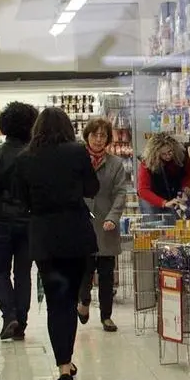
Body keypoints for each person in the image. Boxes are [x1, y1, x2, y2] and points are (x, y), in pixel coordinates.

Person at [13, 107, 99, 380]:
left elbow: (20, 200)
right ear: (67, 128)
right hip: (75, 233)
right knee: (71, 298)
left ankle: (63, 363)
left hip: (44, 238)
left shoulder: (25, 158)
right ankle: (66, 360)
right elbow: (91, 189)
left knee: (56, 301)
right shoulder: (76, 152)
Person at [0, 101, 38, 341]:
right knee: (23, 273)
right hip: (29, 221)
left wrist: (0, 200)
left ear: (4, 125)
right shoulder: (35, 155)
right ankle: (21, 322)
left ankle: (9, 316)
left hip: (1, 220)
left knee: (0, 271)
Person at [76, 118, 127, 332]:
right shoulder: (77, 160)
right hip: (83, 224)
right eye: (95, 135)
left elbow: (120, 193)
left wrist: (113, 217)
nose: (98, 139)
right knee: (84, 272)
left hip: (107, 225)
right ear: (87, 136)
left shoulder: (115, 163)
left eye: (103, 136)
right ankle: (84, 302)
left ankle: (106, 316)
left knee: (106, 275)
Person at [137, 132, 190, 217]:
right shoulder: (147, 162)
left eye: (170, 152)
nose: (167, 156)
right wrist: (163, 203)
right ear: (156, 153)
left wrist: (186, 186)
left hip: (173, 195)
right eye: (163, 154)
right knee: (154, 225)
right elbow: (143, 190)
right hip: (152, 198)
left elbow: (187, 174)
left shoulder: (181, 155)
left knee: (175, 224)